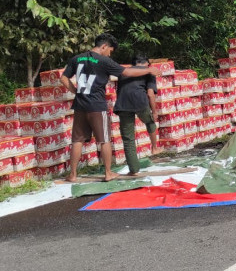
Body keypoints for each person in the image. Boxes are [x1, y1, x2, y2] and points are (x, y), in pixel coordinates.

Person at [60, 33, 162, 182]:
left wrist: (76, 91)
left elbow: (63, 78)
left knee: (77, 140)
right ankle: (108, 173)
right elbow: (126, 72)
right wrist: (148, 70)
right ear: (104, 46)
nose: (110, 53)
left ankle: (73, 175)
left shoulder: (76, 58)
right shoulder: (105, 61)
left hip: (80, 105)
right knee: (104, 139)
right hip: (97, 105)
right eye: (110, 50)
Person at [113, 53, 162, 176]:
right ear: (147, 63)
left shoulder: (124, 71)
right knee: (150, 121)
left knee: (128, 139)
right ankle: (154, 147)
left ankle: (133, 169)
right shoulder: (149, 71)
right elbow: (150, 94)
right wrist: (155, 111)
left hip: (123, 104)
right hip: (140, 102)